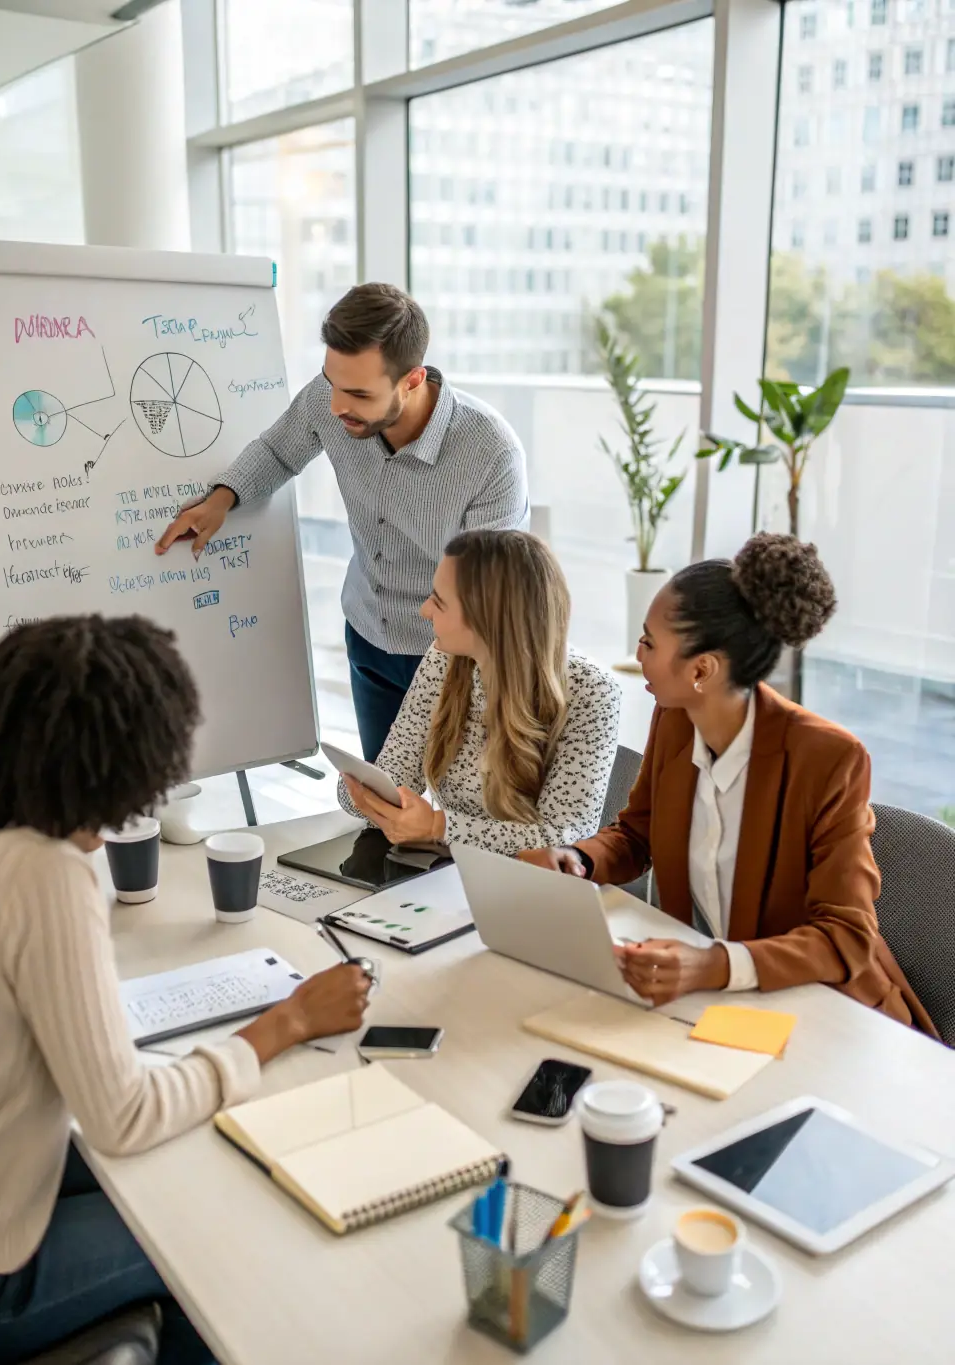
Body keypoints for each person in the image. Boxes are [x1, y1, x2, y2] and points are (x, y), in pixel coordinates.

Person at [0, 616, 371, 1365]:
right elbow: (123, 1118)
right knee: (220, 1221)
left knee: (192, 1160)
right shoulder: (46, 874)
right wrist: (285, 1021)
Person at [519, 533, 937, 1036]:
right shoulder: (674, 720)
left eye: (650, 642)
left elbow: (846, 937)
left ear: (702, 670)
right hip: (721, 1009)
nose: (637, 652)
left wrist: (713, 964)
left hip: (827, 1015)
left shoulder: (829, 759)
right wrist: (581, 859)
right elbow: (636, 834)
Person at [155, 283, 529, 762]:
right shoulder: (333, 399)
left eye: (357, 392)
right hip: (369, 633)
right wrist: (222, 499)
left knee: (455, 807)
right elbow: (278, 450)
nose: (335, 406)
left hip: (454, 651)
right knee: (383, 801)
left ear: (412, 380)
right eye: (331, 382)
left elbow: (492, 591)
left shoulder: (491, 453)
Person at [339, 530, 621, 856]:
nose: (425, 611)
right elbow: (392, 777)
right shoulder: (444, 659)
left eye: (439, 602)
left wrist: (437, 827)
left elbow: (565, 836)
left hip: (530, 889)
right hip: (445, 873)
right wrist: (362, 795)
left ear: (488, 621)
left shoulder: (592, 691)